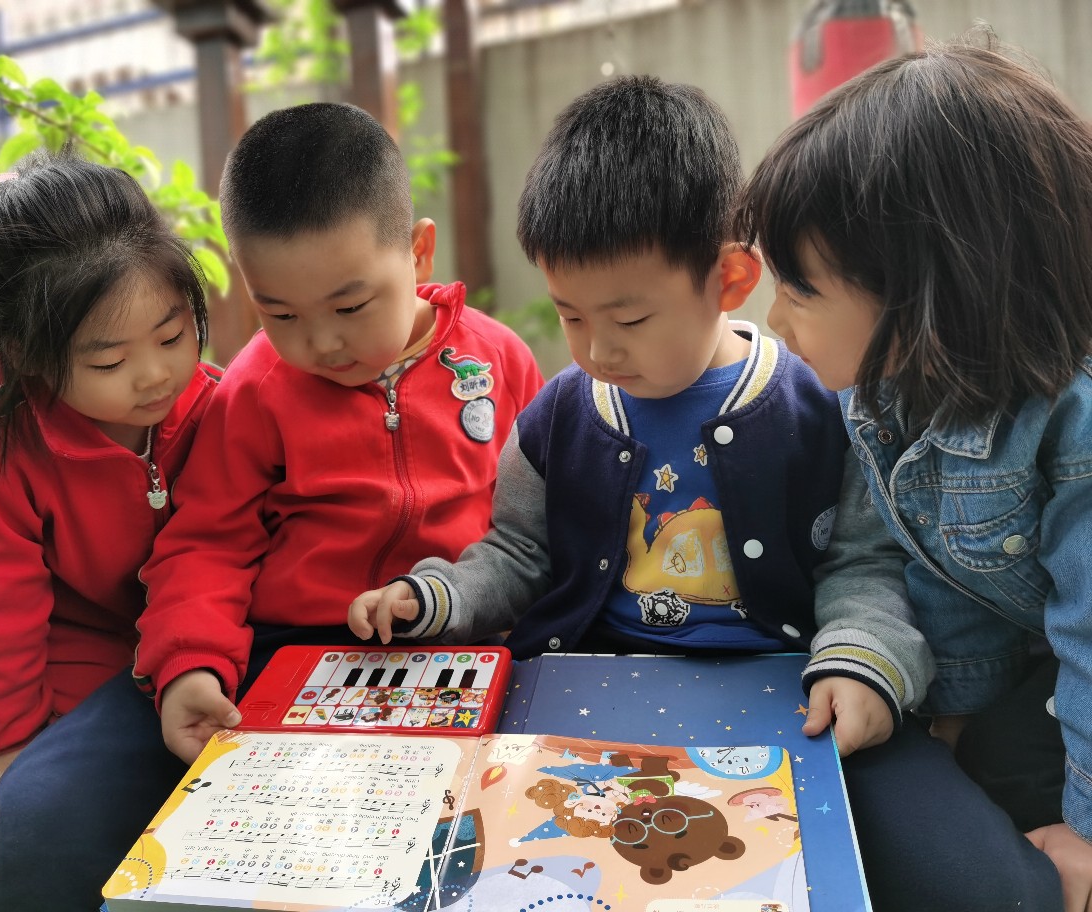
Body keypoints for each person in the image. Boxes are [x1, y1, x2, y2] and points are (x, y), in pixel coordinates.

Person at [349, 75, 1063, 911]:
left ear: (728, 278)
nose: (597, 351)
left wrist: (864, 664)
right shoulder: (560, 416)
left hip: (800, 695)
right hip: (588, 692)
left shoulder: (819, 405)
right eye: (570, 316)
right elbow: (515, 553)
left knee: (986, 888)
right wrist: (435, 596)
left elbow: (865, 563)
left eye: (629, 320)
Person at [0, 102, 543, 912]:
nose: (321, 343)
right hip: (272, 661)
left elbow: (537, 532)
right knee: (45, 811)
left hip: (463, 649)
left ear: (418, 252)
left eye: (350, 307)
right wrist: (190, 668)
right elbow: (205, 546)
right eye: (279, 313)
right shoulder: (251, 392)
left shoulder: (500, 363)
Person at [736, 35, 1090, 912]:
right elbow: (934, 561)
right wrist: (953, 711)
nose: (774, 319)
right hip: (1027, 672)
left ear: (927, 291)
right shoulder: (888, 389)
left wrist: (1086, 833)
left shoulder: (1073, 420)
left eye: (801, 290)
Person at [0, 153, 221, 812]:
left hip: (156, 619)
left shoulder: (218, 404)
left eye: (172, 336)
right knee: (82, 731)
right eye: (110, 361)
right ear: (28, 354)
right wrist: (11, 742)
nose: (155, 376)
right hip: (47, 623)